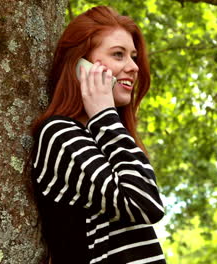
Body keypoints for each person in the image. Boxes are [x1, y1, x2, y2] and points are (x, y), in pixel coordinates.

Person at [29, 6, 166, 264]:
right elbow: (145, 204)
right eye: (118, 54)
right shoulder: (59, 134)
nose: (134, 67)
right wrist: (104, 115)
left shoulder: (103, 136)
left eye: (133, 56)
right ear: (81, 65)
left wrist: (105, 120)